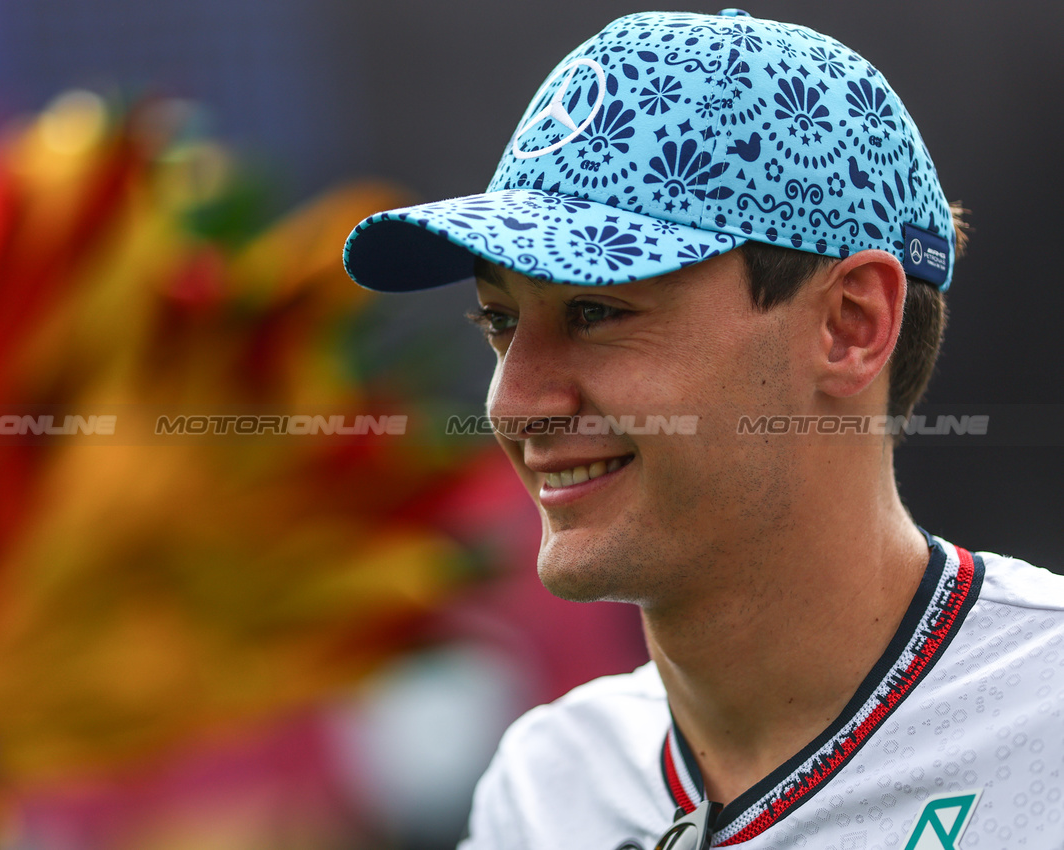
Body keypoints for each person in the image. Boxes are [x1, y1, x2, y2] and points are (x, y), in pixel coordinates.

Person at [344, 9, 1064, 850]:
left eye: (596, 311)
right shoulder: (546, 787)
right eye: (499, 322)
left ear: (849, 325)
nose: (513, 402)